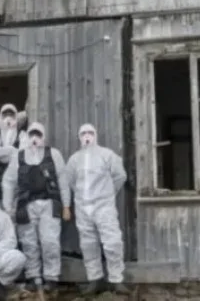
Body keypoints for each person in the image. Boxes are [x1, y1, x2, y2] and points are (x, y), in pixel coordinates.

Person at [1, 122, 70, 292]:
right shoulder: (18, 157)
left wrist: (67, 205)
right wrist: (8, 208)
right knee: (28, 242)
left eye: (38, 135)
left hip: (49, 203)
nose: (34, 138)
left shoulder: (53, 154)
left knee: (50, 241)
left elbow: (63, 181)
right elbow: (8, 182)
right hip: (25, 205)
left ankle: (51, 278)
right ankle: (33, 277)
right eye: (32, 134)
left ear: (43, 137)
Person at [64, 123, 130, 295]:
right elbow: (70, 181)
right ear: (79, 137)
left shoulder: (107, 155)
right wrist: (81, 197)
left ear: (95, 135)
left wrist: (108, 194)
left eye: (90, 133)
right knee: (88, 244)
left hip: (104, 206)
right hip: (83, 208)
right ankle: (95, 279)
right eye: (83, 133)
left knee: (112, 242)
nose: (87, 136)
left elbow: (120, 176)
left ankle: (116, 280)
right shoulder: (74, 160)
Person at [0, 104, 23, 203]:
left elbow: (22, 155)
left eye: (11, 114)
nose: (8, 117)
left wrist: (2, 153)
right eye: (5, 114)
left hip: (16, 186)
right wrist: (11, 151)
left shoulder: (22, 135)